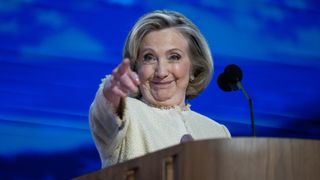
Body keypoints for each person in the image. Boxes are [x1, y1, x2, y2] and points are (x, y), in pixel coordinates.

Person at [89, 10, 231, 168]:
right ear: (136, 68)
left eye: (174, 57)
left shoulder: (218, 132)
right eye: (149, 58)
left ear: (194, 68)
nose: (161, 72)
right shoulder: (127, 114)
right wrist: (111, 92)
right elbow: (106, 118)